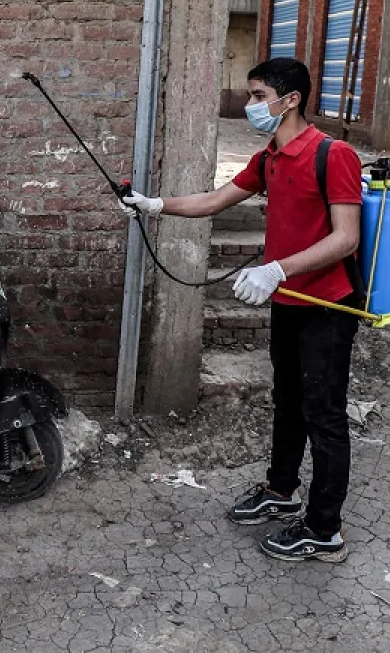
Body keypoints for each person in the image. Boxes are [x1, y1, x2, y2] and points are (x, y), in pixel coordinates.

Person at [122, 57, 363, 563]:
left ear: (289, 99)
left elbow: (346, 239)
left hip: (327, 306)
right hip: (289, 303)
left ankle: (325, 530)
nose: (251, 105)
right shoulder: (270, 156)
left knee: (324, 415)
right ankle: (281, 491)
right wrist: (156, 206)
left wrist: (277, 269)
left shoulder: (332, 154)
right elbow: (216, 200)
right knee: (288, 401)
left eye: (258, 96)